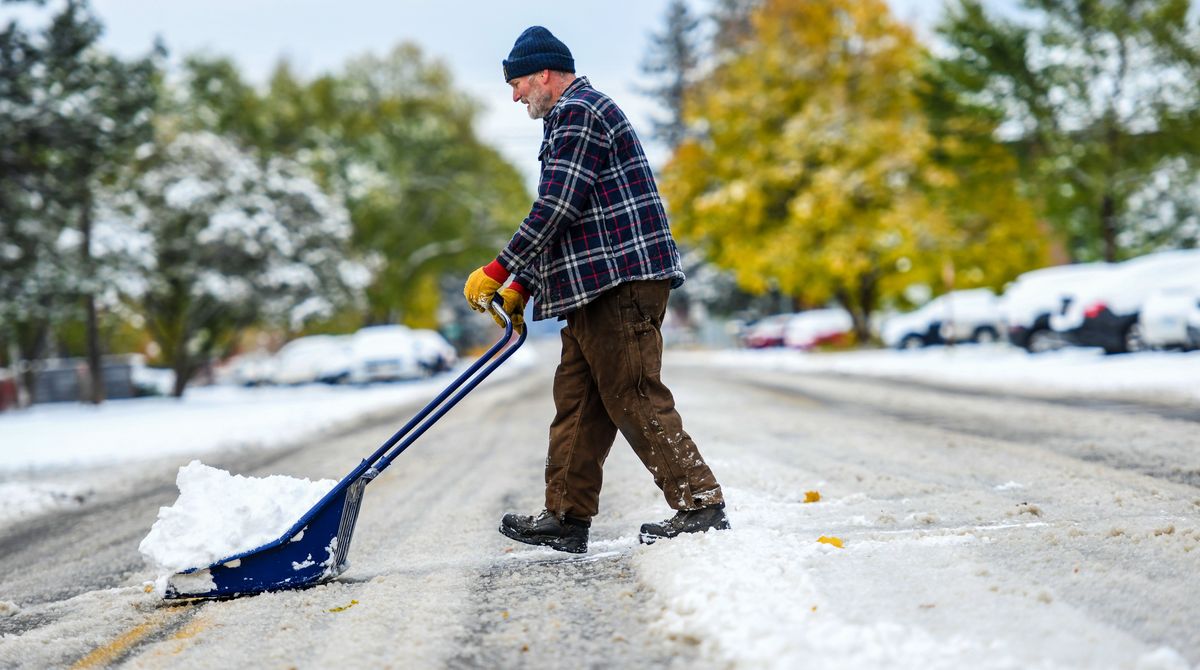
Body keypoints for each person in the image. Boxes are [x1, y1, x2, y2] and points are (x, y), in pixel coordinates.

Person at [463, 26, 728, 554]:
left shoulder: (580, 111)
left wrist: (500, 267)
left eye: (517, 83)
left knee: (632, 392)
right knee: (578, 404)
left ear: (543, 74)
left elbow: (557, 205)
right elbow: (574, 221)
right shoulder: (568, 117)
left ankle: (700, 503)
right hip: (593, 288)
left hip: (620, 284)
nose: (514, 95)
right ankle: (565, 516)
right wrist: (523, 283)